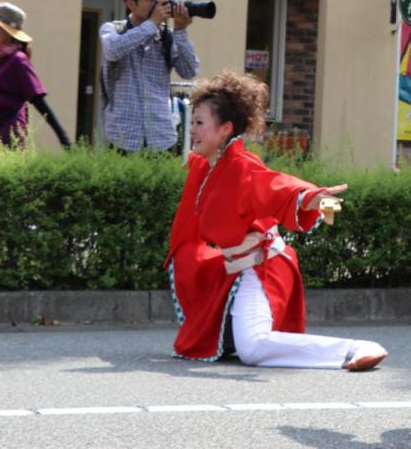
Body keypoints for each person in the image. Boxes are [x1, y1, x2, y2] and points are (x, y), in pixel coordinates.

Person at [164, 70, 387, 370]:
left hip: (261, 268)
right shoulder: (206, 167)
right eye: (192, 122)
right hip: (234, 270)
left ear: (225, 128)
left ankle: (354, 348)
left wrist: (313, 198)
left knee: (253, 348)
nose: (192, 130)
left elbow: (275, 186)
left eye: (199, 123)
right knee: (235, 341)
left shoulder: (241, 167)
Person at [100, 0, 200, 152]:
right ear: (131, 4)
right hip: (122, 136)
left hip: (162, 136)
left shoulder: (166, 36)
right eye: (152, 0)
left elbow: (189, 71)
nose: (159, 5)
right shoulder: (113, 29)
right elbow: (113, 51)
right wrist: (153, 22)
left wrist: (181, 31)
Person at [0, 2, 70, 148]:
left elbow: (38, 101)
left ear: (9, 32)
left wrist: (63, 138)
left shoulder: (17, 60)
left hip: (7, 143)